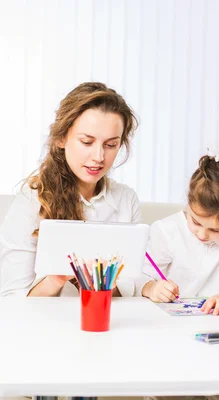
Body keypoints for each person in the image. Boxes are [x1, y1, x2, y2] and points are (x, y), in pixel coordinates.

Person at [0, 82, 141, 297]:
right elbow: (13, 298)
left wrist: (106, 284)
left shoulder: (126, 199)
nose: (99, 157)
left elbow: (133, 292)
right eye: (86, 142)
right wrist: (56, 279)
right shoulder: (32, 201)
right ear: (61, 138)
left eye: (111, 145)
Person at [136, 150, 219, 315]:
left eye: (215, 230)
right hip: (174, 328)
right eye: (195, 221)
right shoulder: (166, 231)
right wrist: (151, 288)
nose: (201, 235)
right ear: (188, 202)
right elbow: (139, 275)